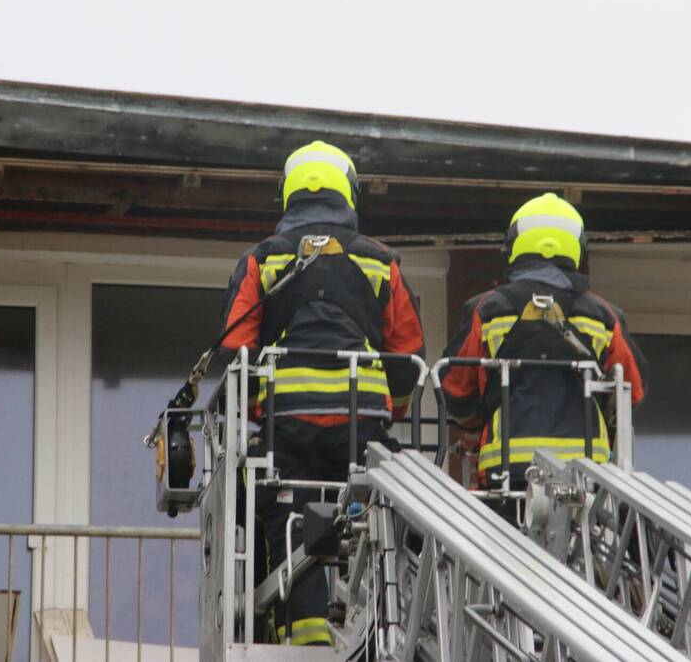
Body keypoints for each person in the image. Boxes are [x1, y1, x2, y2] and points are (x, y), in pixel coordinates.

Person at [216, 140, 426, 646]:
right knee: (377, 523)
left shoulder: (262, 259)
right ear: (348, 192)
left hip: (289, 427)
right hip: (362, 427)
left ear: (288, 194)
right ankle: (382, 630)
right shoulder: (381, 261)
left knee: (288, 521)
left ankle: (307, 637)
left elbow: (234, 349)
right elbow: (407, 356)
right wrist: (392, 411)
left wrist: (257, 407)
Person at [441, 193, 647, 520]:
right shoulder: (604, 316)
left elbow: (454, 390)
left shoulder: (487, 310)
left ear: (514, 245)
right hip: (587, 478)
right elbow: (632, 391)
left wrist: (478, 418)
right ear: (576, 247)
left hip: (507, 472)